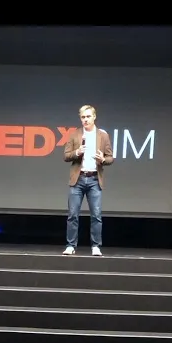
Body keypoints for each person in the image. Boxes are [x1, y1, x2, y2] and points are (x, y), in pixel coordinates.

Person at [62, 105, 114, 256]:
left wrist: (103, 159)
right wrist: (77, 152)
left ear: (94, 117)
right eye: (83, 117)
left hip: (94, 179)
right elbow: (66, 156)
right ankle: (71, 245)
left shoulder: (103, 135)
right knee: (73, 215)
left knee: (96, 215)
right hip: (78, 179)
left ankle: (96, 246)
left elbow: (110, 158)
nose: (85, 119)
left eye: (88, 116)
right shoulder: (75, 134)